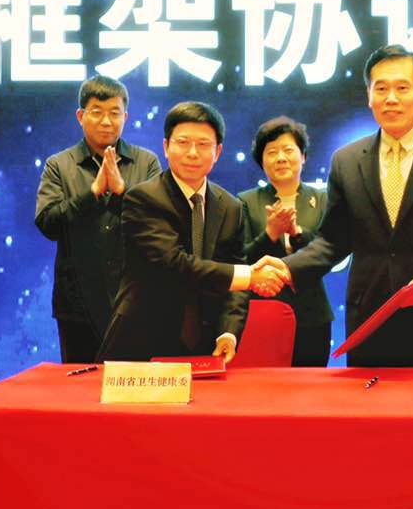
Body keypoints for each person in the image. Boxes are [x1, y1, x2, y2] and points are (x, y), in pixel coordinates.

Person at [278, 45, 413, 366]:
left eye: (402, 88)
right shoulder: (346, 160)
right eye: (381, 89)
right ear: (369, 96)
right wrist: (287, 268)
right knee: (369, 400)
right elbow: (333, 241)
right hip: (369, 323)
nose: (390, 98)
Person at [99, 101, 286, 362]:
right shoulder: (142, 198)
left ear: (218, 151)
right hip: (142, 343)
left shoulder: (230, 206)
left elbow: (234, 271)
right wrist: (251, 276)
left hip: (205, 347)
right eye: (183, 142)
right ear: (166, 147)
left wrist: (228, 332)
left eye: (203, 144)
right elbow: (175, 264)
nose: (192, 153)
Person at [35, 75, 161, 362]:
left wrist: (121, 194)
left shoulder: (147, 163)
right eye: (97, 112)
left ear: (125, 117)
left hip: (135, 301)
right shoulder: (59, 165)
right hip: (77, 303)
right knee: (81, 384)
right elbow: (47, 224)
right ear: (81, 116)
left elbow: (156, 226)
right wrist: (92, 194)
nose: (106, 121)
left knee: (133, 385)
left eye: (114, 113)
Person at [238, 116, 334, 366]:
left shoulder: (323, 199)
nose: (280, 158)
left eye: (288, 150)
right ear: (262, 161)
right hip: (263, 313)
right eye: (271, 152)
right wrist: (270, 234)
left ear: (303, 156)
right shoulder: (245, 201)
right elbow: (241, 259)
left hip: (313, 315)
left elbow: (329, 250)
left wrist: (296, 232)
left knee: (310, 385)